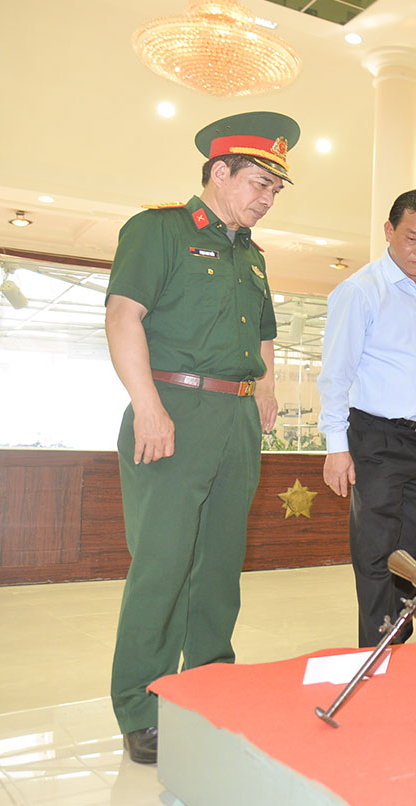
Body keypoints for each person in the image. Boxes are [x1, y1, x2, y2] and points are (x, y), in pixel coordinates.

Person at [105, 110, 299, 765]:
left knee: (219, 567)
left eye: (275, 190)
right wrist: (148, 407)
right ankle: (142, 702)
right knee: (163, 566)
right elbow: (122, 317)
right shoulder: (158, 229)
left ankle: (211, 682)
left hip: (236, 422)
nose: (266, 199)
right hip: (173, 413)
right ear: (219, 171)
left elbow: (265, 331)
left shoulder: (252, 254)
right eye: (258, 184)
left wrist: (266, 384)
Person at [318, 189, 416, 647]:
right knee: (375, 556)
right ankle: (375, 654)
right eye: (411, 238)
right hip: (377, 439)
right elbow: (336, 376)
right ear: (389, 232)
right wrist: (336, 448)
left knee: (414, 560)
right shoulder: (360, 291)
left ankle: (398, 648)